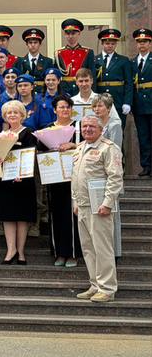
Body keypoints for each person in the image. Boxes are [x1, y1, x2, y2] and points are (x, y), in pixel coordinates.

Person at [72, 115, 123, 303]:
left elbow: (115, 177)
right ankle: (95, 285)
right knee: (88, 249)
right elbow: (75, 178)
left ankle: (107, 288)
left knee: (102, 249)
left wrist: (108, 203)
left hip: (100, 206)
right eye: (84, 126)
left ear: (101, 129)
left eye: (92, 126)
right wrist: (75, 202)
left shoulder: (108, 148)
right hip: (83, 206)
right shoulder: (79, 148)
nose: (87, 129)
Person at [0, 100, 37, 265]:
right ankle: (10, 251)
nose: (12, 115)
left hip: (23, 181)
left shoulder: (28, 133)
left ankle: (21, 251)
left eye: (15, 112)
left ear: (22, 115)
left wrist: (22, 174)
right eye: (9, 113)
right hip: (6, 181)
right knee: (8, 216)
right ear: (4, 116)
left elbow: (30, 156)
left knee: (21, 217)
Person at [39, 94, 82, 267]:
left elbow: (89, 144)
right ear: (54, 109)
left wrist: (73, 145)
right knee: (55, 213)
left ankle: (72, 253)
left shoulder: (78, 127)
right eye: (61, 107)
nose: (65, 110)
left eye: (68, 107)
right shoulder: (47, 128)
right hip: (54, 177)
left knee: (71, 214)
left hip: (74, 176)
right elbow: (40, 152)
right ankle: (59, 252)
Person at [91, 93, 123, 259]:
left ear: (109, 108)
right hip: (95, 178)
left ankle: (114, 255)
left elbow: (115, 151)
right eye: (95, 106)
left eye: (100, 106)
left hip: (109, 176)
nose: (97, 109)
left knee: (112, 221)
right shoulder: (93, 125)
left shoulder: (115, 125)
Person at [94, 29, 133, 128]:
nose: (110, 46)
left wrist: (127, 102)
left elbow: (129, 83)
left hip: (118, 99)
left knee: (118, 129)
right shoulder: (95, 60)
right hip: (100, 100)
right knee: (99, 129)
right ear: (102, 43)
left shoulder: (123, 60)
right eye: (107, 43)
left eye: (113, 43)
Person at [55, 19, 96, 97]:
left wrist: (92, 94)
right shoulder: (59, 53)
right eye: (67, 34)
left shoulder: (87, 52)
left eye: (73, 33)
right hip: (64, 89)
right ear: (64, 34)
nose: (70, 36)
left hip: (82, 88)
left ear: (79, 33)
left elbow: (92, 74)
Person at [130, 28, 151, 177]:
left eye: (144, 41)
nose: (141, 44)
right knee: (143, 136)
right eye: (139, 42)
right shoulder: (132, 62)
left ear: (150, 43)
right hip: (139, 104)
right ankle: (146, 166)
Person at [12, 28, 55, 93]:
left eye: (35, 42)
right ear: (26, 44)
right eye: (30, 43)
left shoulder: (48, 61)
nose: (33, 45)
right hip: (25, 93)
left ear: (40, 44)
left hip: (42, 93)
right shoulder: (19, 61)